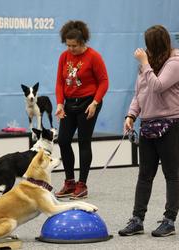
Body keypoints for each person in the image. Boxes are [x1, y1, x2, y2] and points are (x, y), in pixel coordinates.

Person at [118, 25, 179, 237]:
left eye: (149, 44)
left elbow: (157, 86)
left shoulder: (175, 62)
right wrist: (130, 116)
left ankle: (169, 221)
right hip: (148, 124)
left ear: (156, 45)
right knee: (145, 175)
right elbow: (140, 93)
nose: (145, 48)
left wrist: (145, 63)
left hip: (171, 124)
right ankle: (137, 220)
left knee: (171, 174)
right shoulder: (147, 64)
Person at [54, 20, 109, 200]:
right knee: (63, 140)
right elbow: (60, 82)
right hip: (69, 103)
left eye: (74, 46)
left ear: (83, 42)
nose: (71, 49)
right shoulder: (64, 57)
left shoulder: (94, 56)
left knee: (84, 142)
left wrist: (95, 102)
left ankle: (82, 184)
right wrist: (60, 104)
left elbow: (104, 82)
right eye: (68, 45)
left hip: (88, 103)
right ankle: (69, 182)